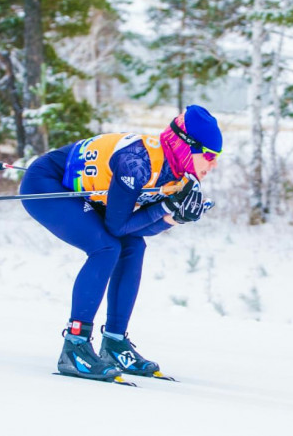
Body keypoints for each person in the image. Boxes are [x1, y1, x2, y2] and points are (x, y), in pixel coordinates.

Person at [20, 105, 222, 381]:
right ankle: (75, 346)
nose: (214, 164)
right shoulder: (136, 162)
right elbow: (118, 226)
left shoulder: (177, 172)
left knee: (132, 247)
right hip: (46, 183)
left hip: (86, 192)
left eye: (217, 157)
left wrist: (173, 218)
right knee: (106, 247)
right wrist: (164, 210)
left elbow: (136, 230)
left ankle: (114, 343)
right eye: (209, 155)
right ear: (187, 147)